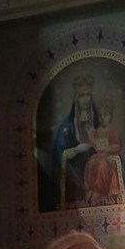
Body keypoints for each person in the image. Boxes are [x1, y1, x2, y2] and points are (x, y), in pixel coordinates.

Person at [52, 74, 99, 209]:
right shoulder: (67, 127)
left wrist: (89, 139)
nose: (85, 99)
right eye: (81, 95)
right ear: (76, 99)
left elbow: (103, 144)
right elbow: (59, 151)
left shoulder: (98, 121)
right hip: (76, 165)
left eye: (88, 95)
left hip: (95, 162)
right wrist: (70, 152)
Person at [83, 98, 125, 206]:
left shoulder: (113, 131)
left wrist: (107, 148)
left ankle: (99, 191)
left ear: (110, 116)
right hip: (98, 156)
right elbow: (94, 144)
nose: (103, 118)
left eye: (105, 115)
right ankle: (91, 190)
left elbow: (117, 145)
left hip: (110, 158)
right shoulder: (97, 131)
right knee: (91, 163)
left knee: (102, 164)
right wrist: (90, 136)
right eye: (101, 115)